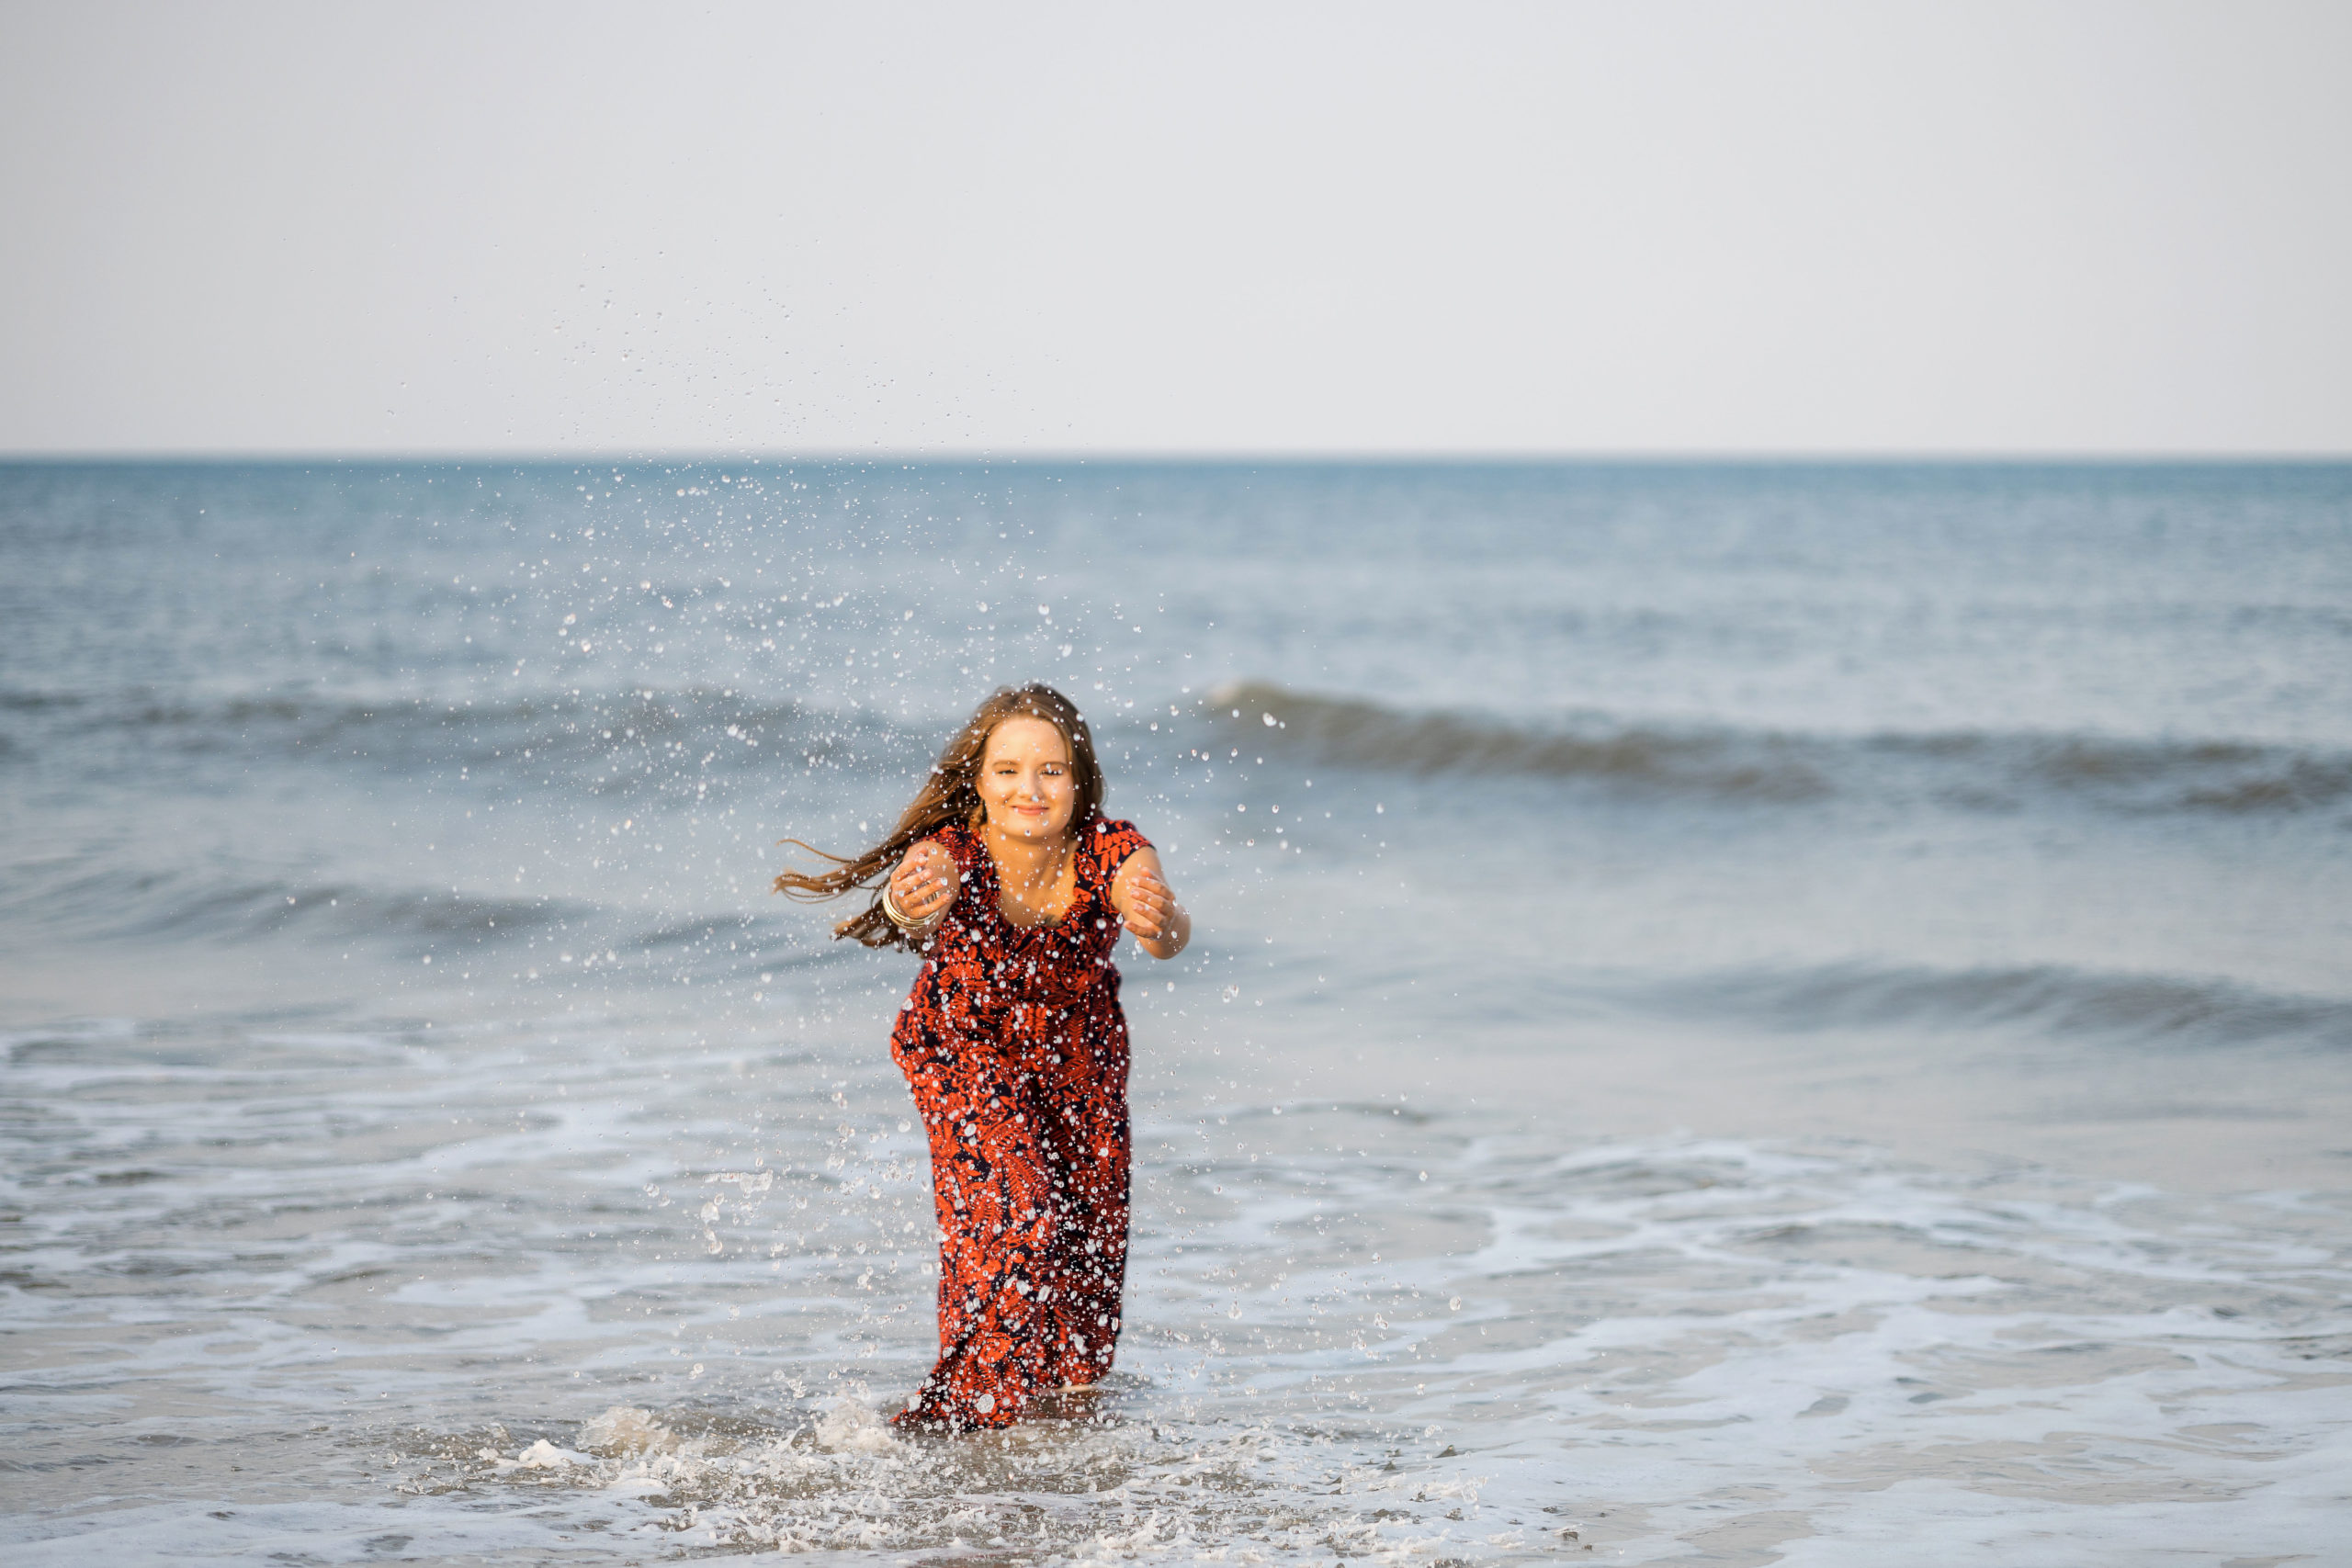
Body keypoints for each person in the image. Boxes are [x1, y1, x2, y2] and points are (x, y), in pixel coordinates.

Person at [773, 683, 1190, 1432]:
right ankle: (958, 1411)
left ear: (1080, 780)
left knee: (1089, 1244)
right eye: (1007, 771)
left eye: (1051, 771)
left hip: (1079, 1064)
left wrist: (1158, 914)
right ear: (980, 782)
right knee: (1017, 1210)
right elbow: (915, 895)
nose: (1029, 789)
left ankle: (1055, 1420)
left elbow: (1155, 911)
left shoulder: (1107, 847)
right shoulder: (957, 851)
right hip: (964, 1054)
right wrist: (908, 901)